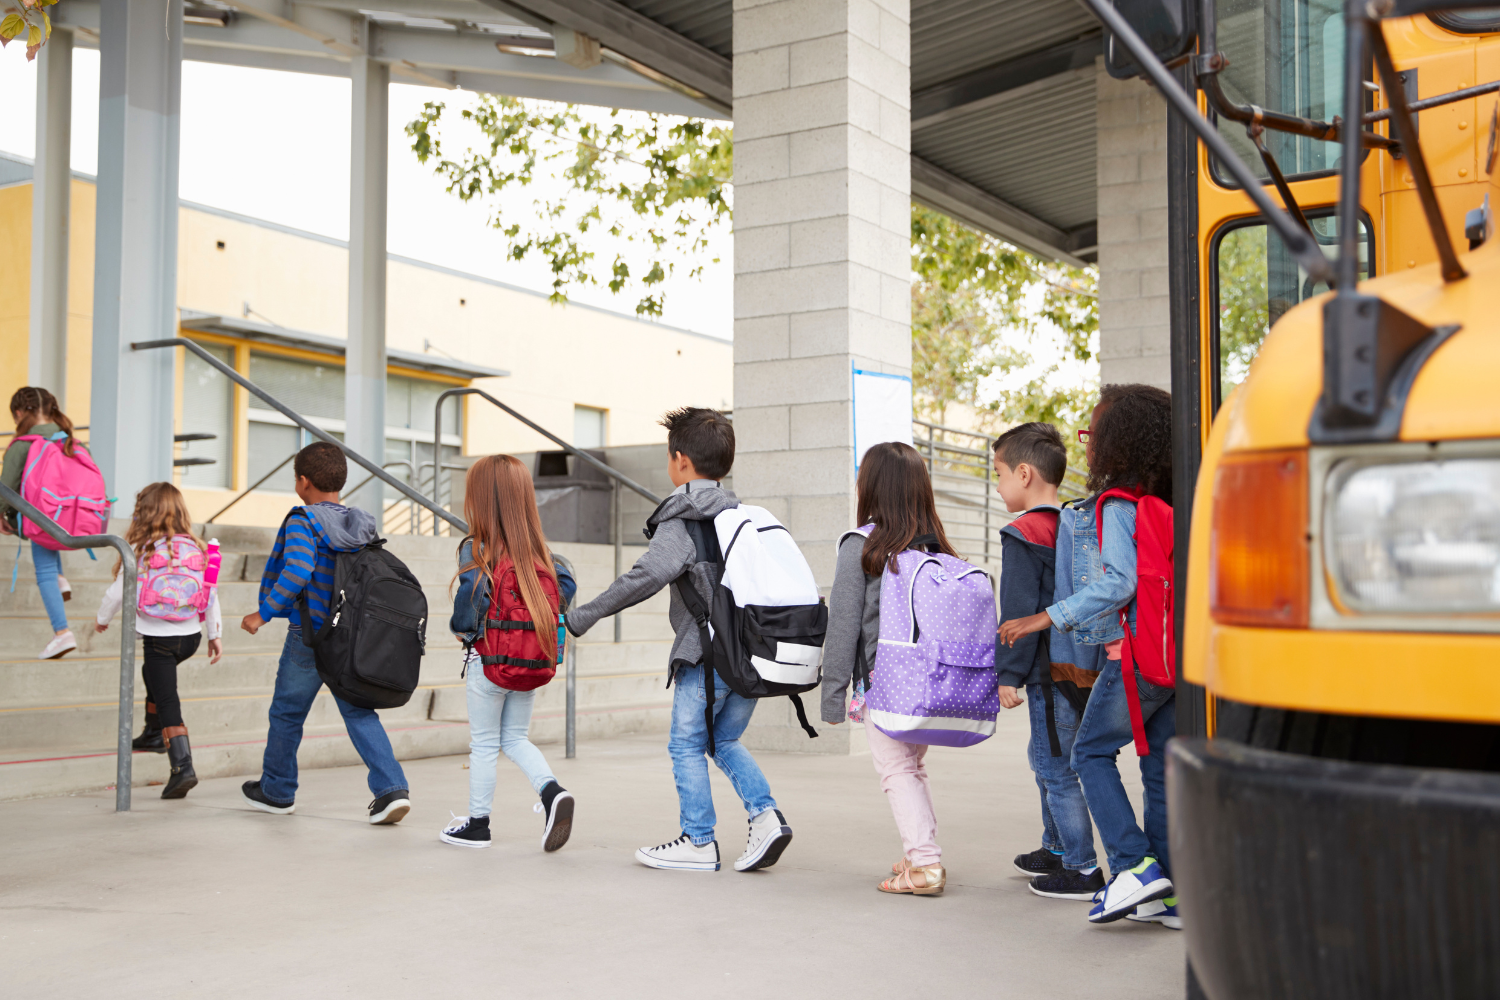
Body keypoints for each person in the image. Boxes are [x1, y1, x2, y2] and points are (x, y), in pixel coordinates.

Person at [567, 407, 792, 873]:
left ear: (681, 460)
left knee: (686, 744)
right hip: (752, 654)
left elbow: (648, 573)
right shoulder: (742, 515)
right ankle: (766, 815)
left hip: (707, 654)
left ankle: (698, 839)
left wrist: (582, 616)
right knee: (723, 739)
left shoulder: (685, 517)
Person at [999, 384, 1177, 927]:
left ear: (1117, 443)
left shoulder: (1118, 504)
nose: (1088, 446)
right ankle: (1170, 893)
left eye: (1094, 434)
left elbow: (1118, 583)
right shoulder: (1171, 500)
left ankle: (1132, 865)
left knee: (1089, 754)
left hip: (1136, 657)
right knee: (1158, 768)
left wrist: (1044, 617)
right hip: (1176, 658)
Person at [238, 441, 412, 825]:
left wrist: (262, 614)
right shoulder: (360, 523)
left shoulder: (304, 520)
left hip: (309, 637)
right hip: (350, 637)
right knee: (359, 711)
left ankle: (277, 791)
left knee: (286, 713)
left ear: (303, 482)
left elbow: (298, 569)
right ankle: (391, 789)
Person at [821, 440, 963, 896]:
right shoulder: (937, 548)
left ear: (871, 487)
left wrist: (832, 694)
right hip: (930, 679)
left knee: (894, 769)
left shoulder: (861, 546)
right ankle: (920, 851)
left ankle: (924, 865)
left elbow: (842, 626)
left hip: (886, 680)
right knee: (911, 767)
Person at [439, 454, 578, 852]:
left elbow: (468, 608)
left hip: (489, 663)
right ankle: (552, 793)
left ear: (480, 500)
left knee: (484, 744)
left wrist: (463, 631)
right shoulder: (544, 555)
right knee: (515, 738)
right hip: (530, 660)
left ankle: (478, 824)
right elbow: (565, 590)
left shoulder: (476, 549)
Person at [992, 423, 1104, 901]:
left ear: (1023, 473)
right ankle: (1055, 847)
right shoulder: (1073, 525)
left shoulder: (1023, 533)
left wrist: (1007, 675)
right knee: (1049, 759)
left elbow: (1016, 611)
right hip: (1081, 664)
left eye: (997, 474)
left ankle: (1081, 867)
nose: (997, 486)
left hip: (1045, 670)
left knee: (1056, 765)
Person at [95, 482, 224, 798]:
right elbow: (211, 594)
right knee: (150, 675)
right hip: (190, 636)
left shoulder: (142, 550)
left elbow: (116, 593)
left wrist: (101, 619)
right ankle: (153, 732)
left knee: (168, 699)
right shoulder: (198, 549)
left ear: (144, 513)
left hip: (158, 639)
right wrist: (215, 634)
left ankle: (182, 767)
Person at [1, 387, 80, 660]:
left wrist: (1, 515)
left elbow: (5, 488)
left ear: (21, 413)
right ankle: (61, 579)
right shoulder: (70, 440)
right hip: (73, 517)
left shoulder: (23, 445)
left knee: (43, 570)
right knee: (51, 549)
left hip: (40, 519)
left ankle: (62, 633)